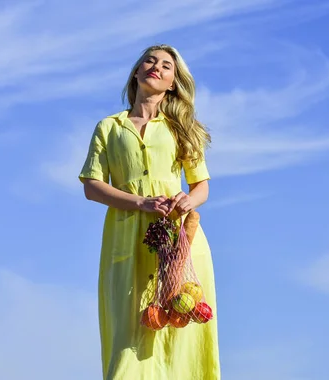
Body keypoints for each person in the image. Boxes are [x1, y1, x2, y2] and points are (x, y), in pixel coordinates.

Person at [78, 44, 221, 380]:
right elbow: (91, 186)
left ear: (173, 82)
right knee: (129, 339)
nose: (156, 67)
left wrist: (188, 200)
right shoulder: (109, 128)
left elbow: (201, 186)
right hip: (126, 241)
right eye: (149, 61)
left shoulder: (181, 127)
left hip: (180, 244)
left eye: (166, 65)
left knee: (181, 336)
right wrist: (140, 202)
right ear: (137, 73)